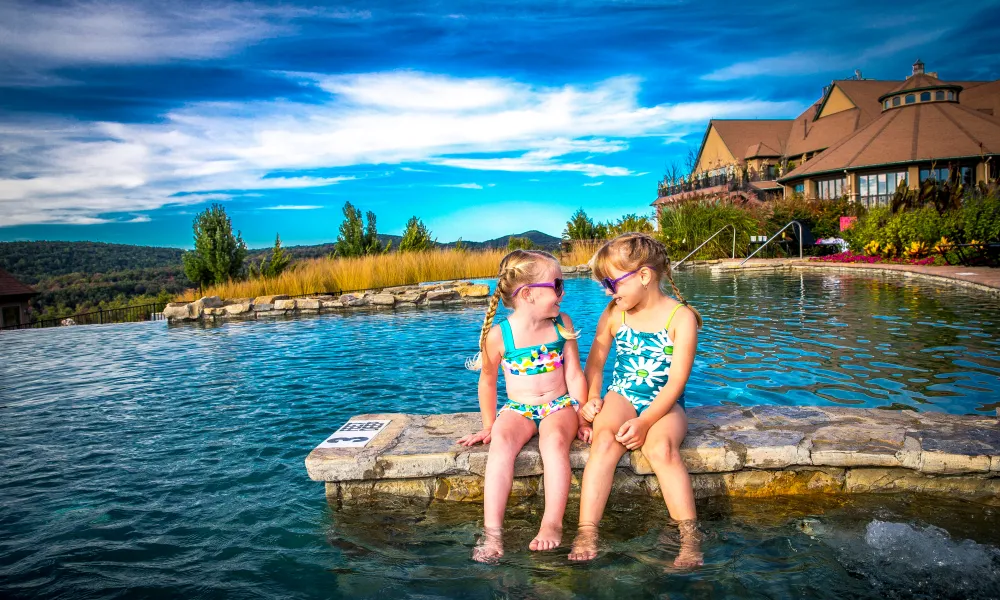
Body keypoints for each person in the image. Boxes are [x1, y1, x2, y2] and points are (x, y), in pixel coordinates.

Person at [568, 233, 704, 567]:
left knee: (662, 449)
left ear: (644, 276)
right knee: (603, 441)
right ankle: (587, 530)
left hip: (666, 402)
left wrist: (645, 422)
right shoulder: (615, 313)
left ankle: (689, 539)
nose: (607, 291)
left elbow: (676, 383)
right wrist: (593, 399)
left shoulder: (680, 317)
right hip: (623, 394)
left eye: (611, 283)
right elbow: (596, 364)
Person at [459, 249, 590, 563]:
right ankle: (492, 532)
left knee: (554, 441)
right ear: (528, 294)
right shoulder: (499, 336)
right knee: (501, 444)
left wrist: (584, 416)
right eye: (557, 285)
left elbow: (574, 371)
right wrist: (489, 426)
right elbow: (487, 382)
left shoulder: (562, 324)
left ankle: (552, 522)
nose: (563, 292)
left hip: (559, 405)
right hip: (518, 408)